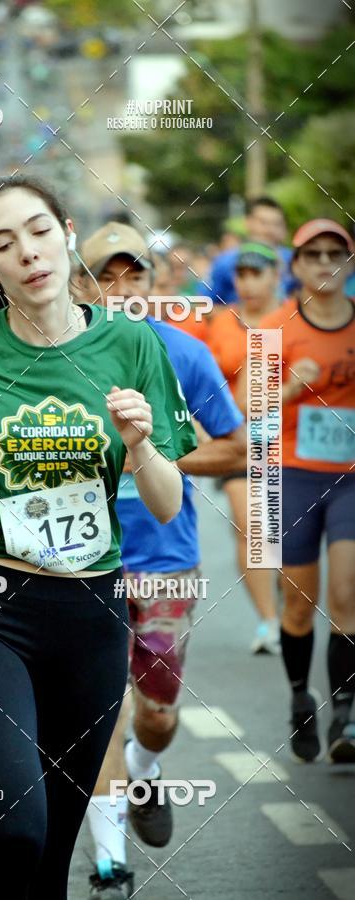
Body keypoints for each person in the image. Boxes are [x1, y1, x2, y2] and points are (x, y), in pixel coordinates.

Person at [0, 174, 198, 899]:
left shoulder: (131, 346)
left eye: (36, 230)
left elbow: (165, 500)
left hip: (90, 614)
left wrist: (142, 445)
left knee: (54, 851)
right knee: (19, 825)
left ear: (64, 233)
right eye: (2, 243)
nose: (26, 252)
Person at [78, 224, 245, 897]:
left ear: (154, 283)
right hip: (79, 561)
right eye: (105, 278)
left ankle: (146, 773)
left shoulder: (186, 354)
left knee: (157, 710)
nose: (120, 291)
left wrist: (158, 460)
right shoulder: (55, 357)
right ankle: (111, 865)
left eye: (133, 276)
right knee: (98, 714)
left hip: (166, 559)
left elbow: (236, 448)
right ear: (80, 285)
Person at [256, 219, 355, 764]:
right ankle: (301, 698)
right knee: (298, 606)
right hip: (288, 473)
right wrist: (292, 385)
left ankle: (346, 711)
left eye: (334, 254)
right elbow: (248, 411)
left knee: (347, 595)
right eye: (312, 254)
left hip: (350, 478)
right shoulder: (276, 329)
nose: (324, 263)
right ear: (295, 266)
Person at [208, 243, 282, 653]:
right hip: (239, 438)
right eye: (242, 275)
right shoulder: (220, 322)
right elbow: (198, 373)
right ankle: (269, 623)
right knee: (250, 523)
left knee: (285, 532)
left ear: (275, 275)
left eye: (258, 273)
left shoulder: (296, 317)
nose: (249, 283)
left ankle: (291, 611)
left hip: (289, 440)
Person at [209, 197, 296, 305]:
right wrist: (242, 314)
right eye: (263, 223)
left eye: (276, 224)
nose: (270, 230)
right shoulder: (225, 261)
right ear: (248, 222)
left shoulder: (294, 260)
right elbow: (205, 304)